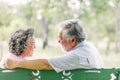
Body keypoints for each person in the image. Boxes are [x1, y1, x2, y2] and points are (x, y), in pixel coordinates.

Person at [4, 19, 104, 73]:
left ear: (73, 40)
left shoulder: (77, 56)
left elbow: (45, 65)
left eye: (61, 39)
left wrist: (15, 63)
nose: (58, 42)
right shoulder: (89, 47)